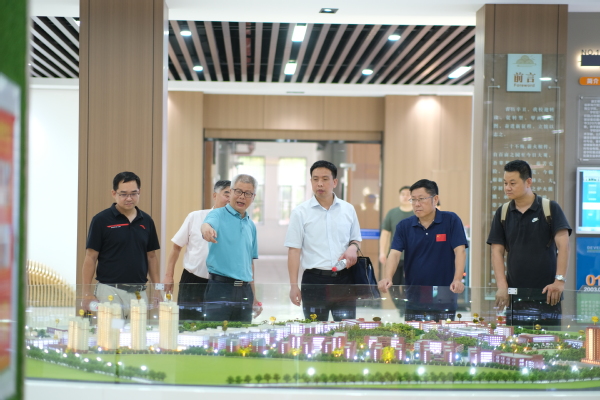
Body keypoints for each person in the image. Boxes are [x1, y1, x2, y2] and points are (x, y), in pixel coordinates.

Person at [487, 160, 571, 326]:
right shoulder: (503, 213)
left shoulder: (550, 208)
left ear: (528, 182)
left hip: (548, 294)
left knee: (549, 340)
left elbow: (564, 246)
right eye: (505, 183)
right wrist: (502, 286)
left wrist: (559, 281)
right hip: (515, 296)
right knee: (516, 341)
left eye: (512, 183)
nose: (507, 188)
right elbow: (497, 251)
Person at [378, 179, 467, 321]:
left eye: (421, 199)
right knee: (414, 332)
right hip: (415, 293)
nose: (416, 204)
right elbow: (394, 253)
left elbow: (460, 251)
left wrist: (457, 279)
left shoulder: (451, 220)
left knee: (442, 332)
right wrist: (387, 277)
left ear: (435, 199)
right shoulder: (404, 226)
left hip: (445, 292)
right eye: (413, 199)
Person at [285, 160, 362, 322]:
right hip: (314, 281)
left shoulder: (348, 209)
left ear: (334, 182)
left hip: (344, 280)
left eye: (325, 179)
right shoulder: (300, 212)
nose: (319, 183)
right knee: (315, 330)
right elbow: (294, 251)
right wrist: (293, 286)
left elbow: (356, 239)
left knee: (346, 329)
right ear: (311, 181)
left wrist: (353, 247)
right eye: (315, 179)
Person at [81, 171, 161, 320]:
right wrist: (86, 293)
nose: (129, 198)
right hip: (110, 292)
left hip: (139, 293)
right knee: (112, 333)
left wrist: (158, 288)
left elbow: (151, 257)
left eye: (133, 193)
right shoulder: (101, 220)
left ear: (139, 192)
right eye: (123, 194)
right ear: (114, 193)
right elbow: (90, 257)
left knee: (137, 333)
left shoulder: (147, 221)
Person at [163, 180, 231, 320]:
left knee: (216, 325)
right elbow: (176, 247)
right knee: (188, 324)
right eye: (226, 194)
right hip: (193, 280)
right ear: (215, 195)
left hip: (222, 283)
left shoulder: (235, 224)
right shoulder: (196, 217)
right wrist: (169, 276)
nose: (230, 199)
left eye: (233, 195)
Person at [200, 174, 262, 322]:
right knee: (215, 333)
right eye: (238, 191)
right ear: (231, 192)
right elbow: (207, 224)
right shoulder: (217, 214)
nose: (242, 197)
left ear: (253, 197)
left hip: (245, 291)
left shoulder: (251, 225)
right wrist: (206, 229)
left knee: (242, 335)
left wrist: (254, 296)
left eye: (248, 193)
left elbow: (250, 264)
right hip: (220, 288)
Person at [379, 185, 414, 285]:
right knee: (392, 284)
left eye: (408, 194)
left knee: (409, 285)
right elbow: (385, 234)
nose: (405, 197)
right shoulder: (392, 213)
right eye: (403, 194)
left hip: (412, 257)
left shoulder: (418, 213)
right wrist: (382, 252)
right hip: (394, 255)